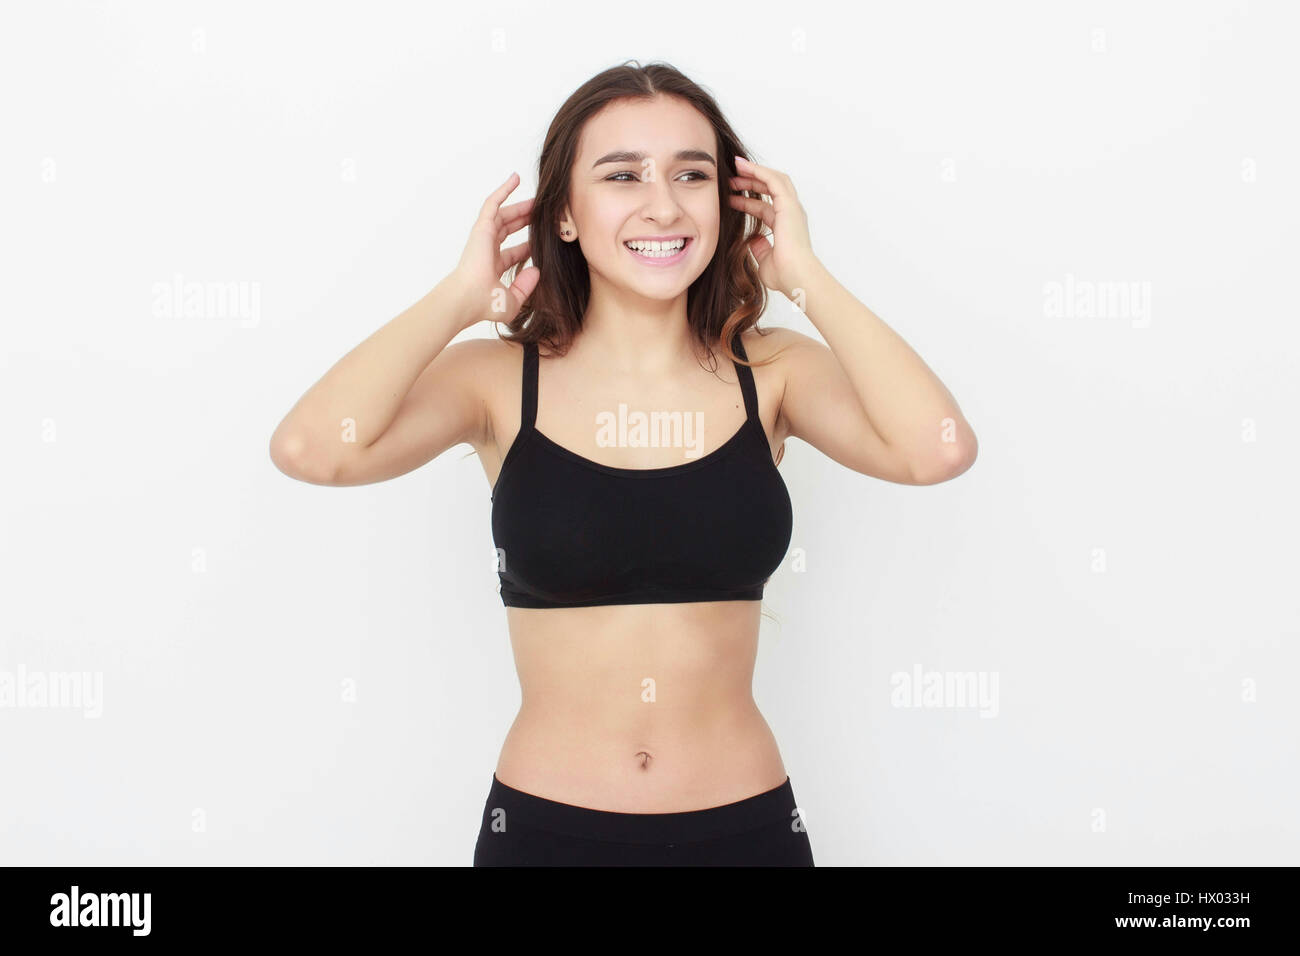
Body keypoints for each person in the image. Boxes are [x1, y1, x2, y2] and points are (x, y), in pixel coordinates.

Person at [269, 61, 977, 866]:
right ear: (565, 215)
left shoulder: (771, 373)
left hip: (742, 830)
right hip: (546, 832)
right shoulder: (499, 381)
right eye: (622, 175)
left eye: (692, 174)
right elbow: (312, 449)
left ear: (727, 202)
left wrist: (806, 278)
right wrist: (459, 299)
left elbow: (938, 449)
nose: (664, 204)